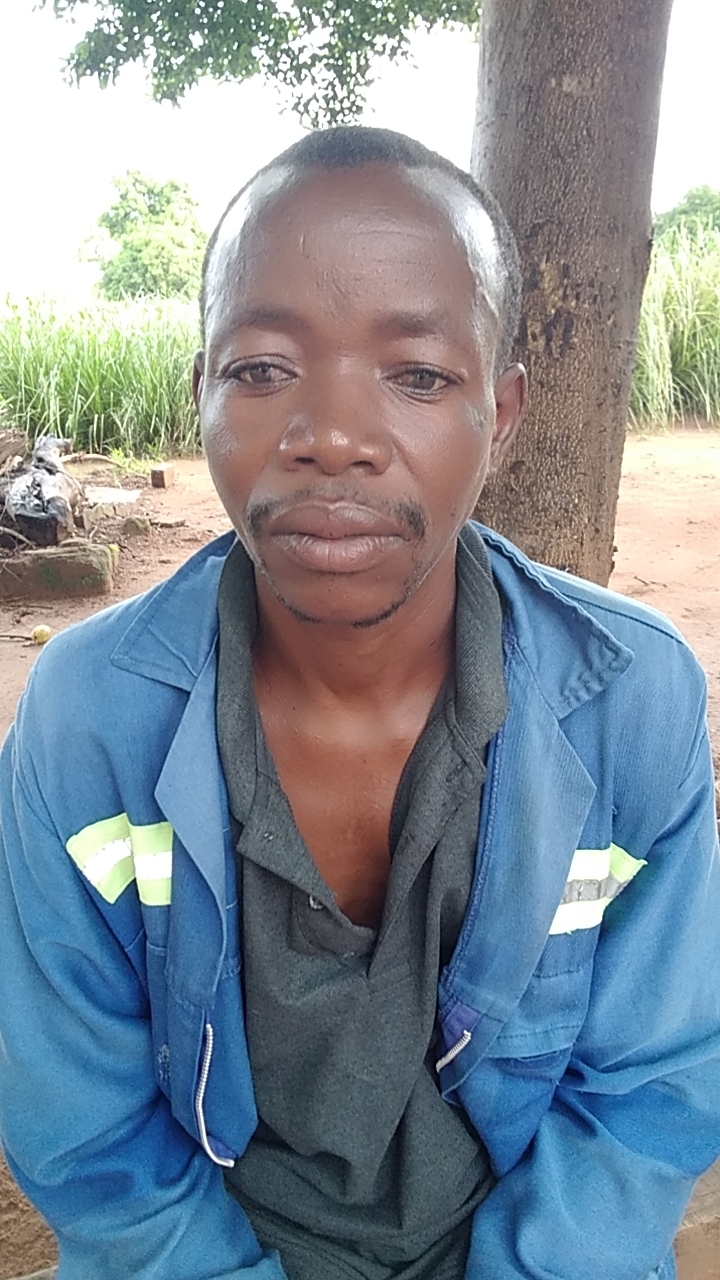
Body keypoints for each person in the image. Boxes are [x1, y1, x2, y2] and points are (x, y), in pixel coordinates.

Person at [1, 126, 719, 1280]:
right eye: (261, 368)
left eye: (418, 374)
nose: (332, 437)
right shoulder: (88, 721)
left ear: (504, 412)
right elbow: (82, 1129)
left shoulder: (629, 701)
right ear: (200, 394)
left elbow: (647, 1088)